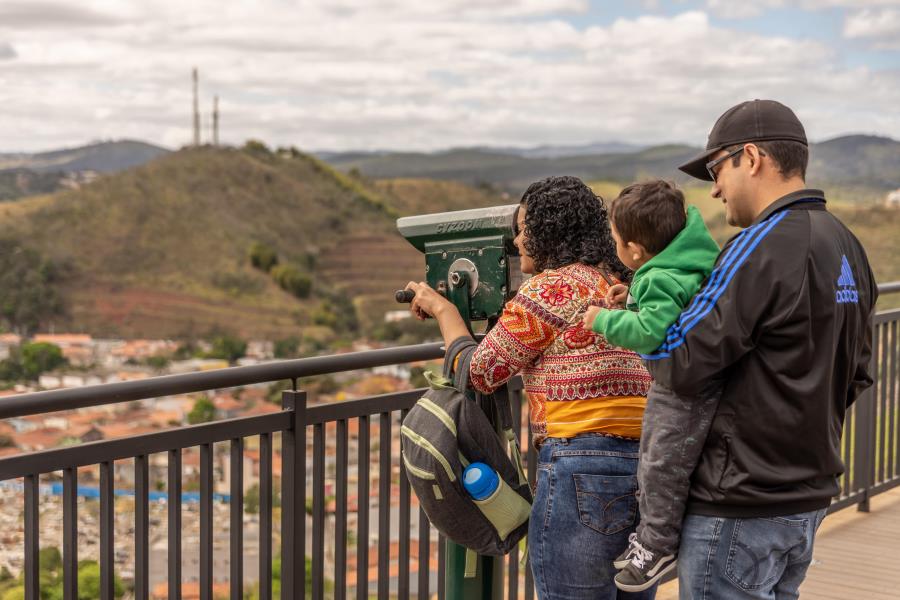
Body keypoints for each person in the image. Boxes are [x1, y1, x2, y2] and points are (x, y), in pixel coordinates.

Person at [641, 99, 877, 599]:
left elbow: (677, 361)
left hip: (737, 506)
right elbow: (857, 371)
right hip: (806, 501)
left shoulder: (757, 246)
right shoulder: (849, 246)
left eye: (715, 168)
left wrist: (639, 322)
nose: (715, 187)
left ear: (750, 158)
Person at [405, 175, 657, 600]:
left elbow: (479, 372)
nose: (518, 240)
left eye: (523, 228)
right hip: (646, 467)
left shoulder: (554, 287)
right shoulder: (619, 285)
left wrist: (444, 309)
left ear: (547, 231)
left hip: (583, 465)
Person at [580, 180, 721, 592]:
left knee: (660, 464)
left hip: (680, 393)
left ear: (635, 249)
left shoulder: (659, 276)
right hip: (699, 382)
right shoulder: (683, 264)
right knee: (659, 460)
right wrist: (632, 300)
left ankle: (656, 545)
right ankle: (650, 539)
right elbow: (671, 311)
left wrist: (601, 320)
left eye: (616, 240)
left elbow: (650, 331)